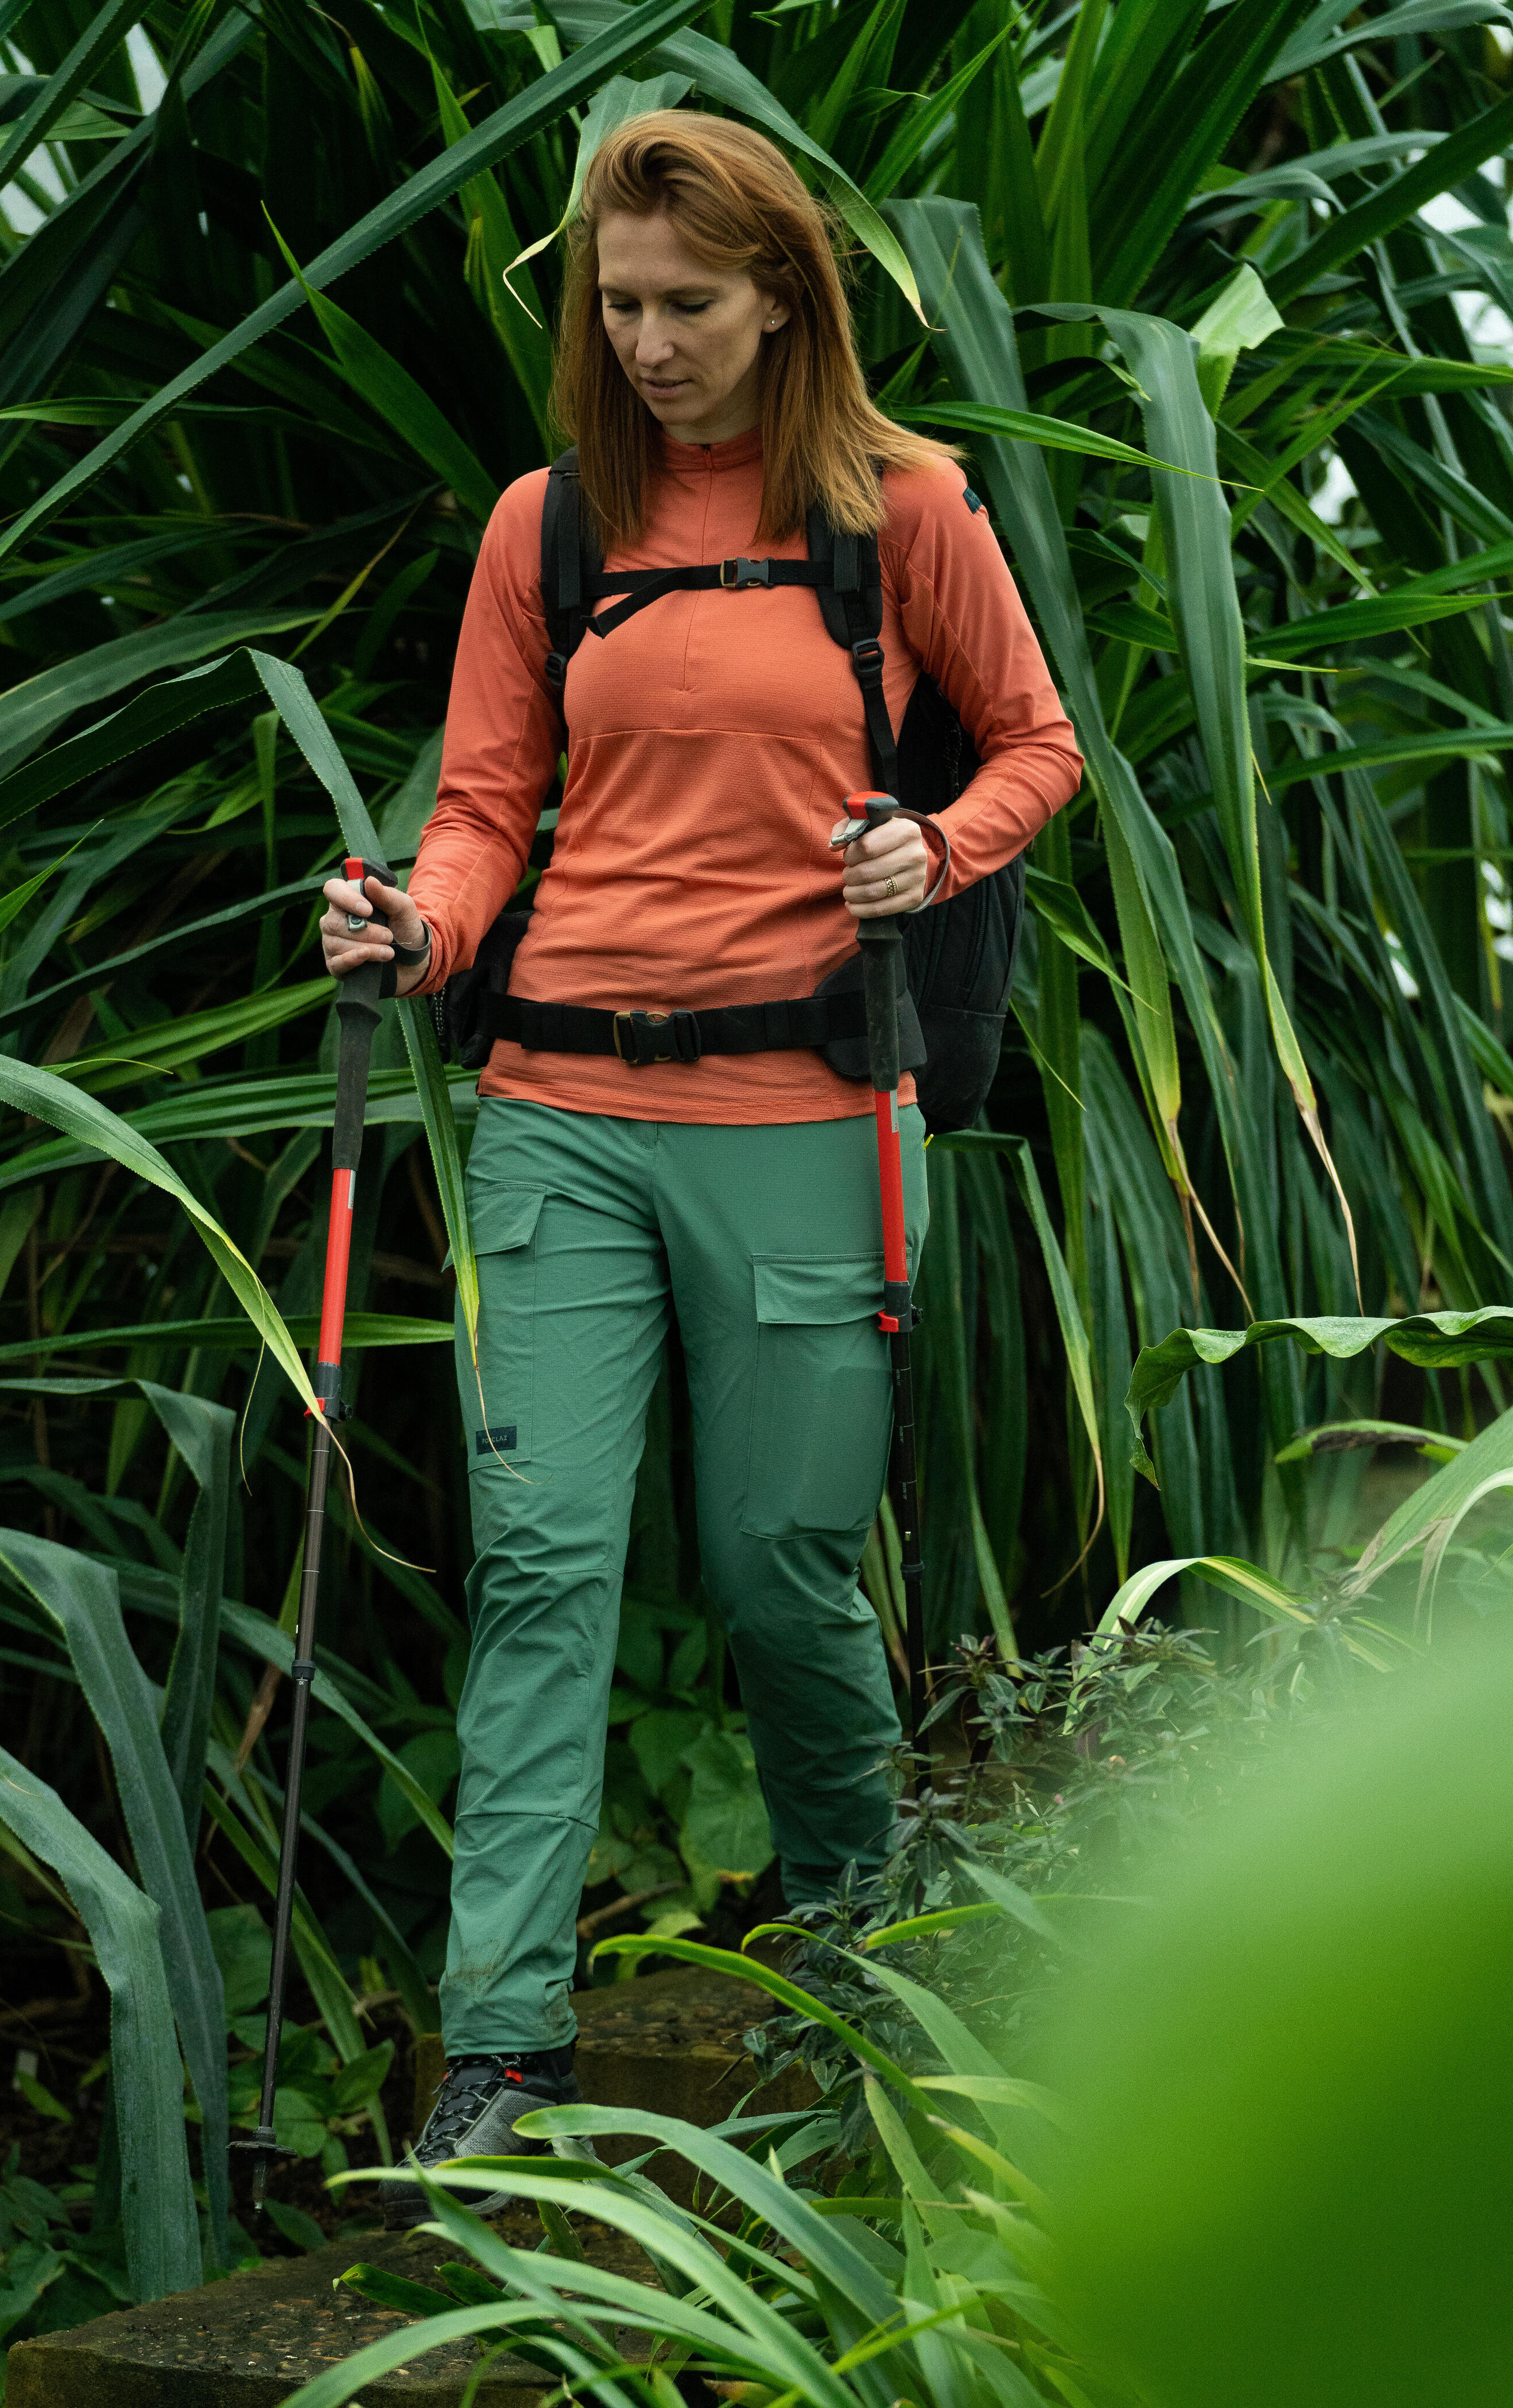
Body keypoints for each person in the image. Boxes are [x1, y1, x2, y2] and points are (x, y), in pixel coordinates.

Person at [318, 111, 1082, 2213]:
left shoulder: (902, 512)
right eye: (617, 305)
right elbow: (486, 804)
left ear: (782, 299)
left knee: (777, 1567)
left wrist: (939, 842)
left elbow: (1037, 744)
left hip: (813, 1117)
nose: (645, 343)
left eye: (687, 307)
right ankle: (500, 2045)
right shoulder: (546, 529)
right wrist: (420, 919)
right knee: (550, 1558)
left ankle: (855, 1943)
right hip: (560, 1108)